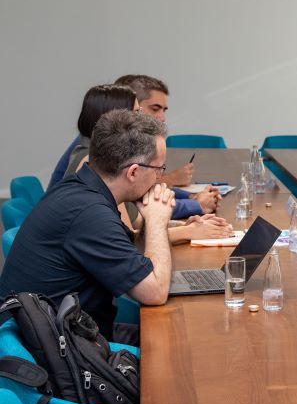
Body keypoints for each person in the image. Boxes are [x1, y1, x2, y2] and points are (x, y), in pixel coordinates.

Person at [2, 110, 176, 343]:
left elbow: (133, 252)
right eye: (159, 169)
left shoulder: (81, 189)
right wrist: (156, 220)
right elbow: (155, 293)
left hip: (67, 333)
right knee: (176, 344)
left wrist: (149, 219)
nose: (159, 178)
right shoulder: (89, 213)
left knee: (175, 334)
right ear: (133, 172)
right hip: (59, 351)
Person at [59, 85, 232, 245]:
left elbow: (136, 224)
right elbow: (127, 241)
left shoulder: (100, 156)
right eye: (135, 113)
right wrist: (188, 231)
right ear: (114, 119)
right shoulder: (94, 162)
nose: (141, 119)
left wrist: (186, 226)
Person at [115, 74, 220, 218]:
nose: (162, 118)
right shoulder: (112, 149)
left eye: (164, 110)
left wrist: (191, 197)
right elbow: (143, 206)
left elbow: (149, 189)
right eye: (155, 109)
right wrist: (197, 204)